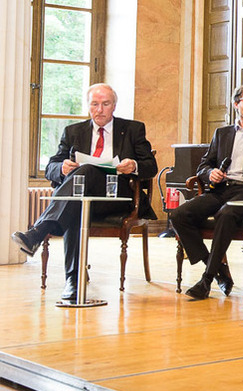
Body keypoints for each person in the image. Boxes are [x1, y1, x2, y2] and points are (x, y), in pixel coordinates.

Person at [11, 83, 157, 302]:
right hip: (83, 195)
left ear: (114, 106)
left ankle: (37, 233)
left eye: (105, 104)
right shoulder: (74, 131)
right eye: (95, 104)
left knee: (85, 173)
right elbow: (53, 166)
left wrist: (133, 165)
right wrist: (61, 168)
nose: (100, 109)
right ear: (88, 106)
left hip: (117, 196)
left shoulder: (133, 129)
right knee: (77, 204)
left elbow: (151, 166)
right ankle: (74, 282)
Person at [171, 85, 243, 300]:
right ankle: (220, 271)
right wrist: (210, 173)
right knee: (179, 214)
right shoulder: (221, 133)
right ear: (236, 104)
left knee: (226, 214)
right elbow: (204, 165)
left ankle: (207, 279)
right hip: (220, 189)